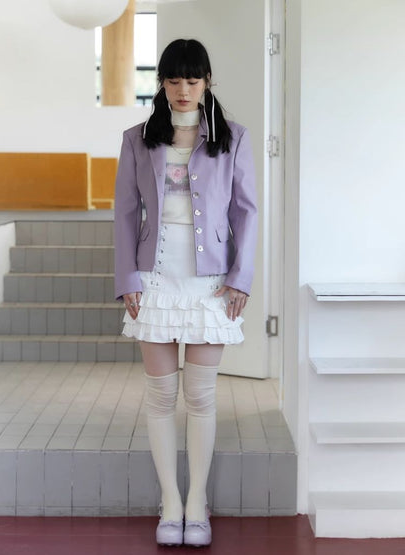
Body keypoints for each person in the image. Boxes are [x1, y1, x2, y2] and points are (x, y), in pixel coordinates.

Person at [114, 38, 257, 547]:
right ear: (162, 84)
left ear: (207, 82)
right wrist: (127, 279)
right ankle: (169, 503)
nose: (182, 89)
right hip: (153, 279)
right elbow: (125, 212)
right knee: (160, 397)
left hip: (210, 284)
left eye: (192, 80)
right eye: (173, 80)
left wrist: (241, 277)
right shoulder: (137, 139)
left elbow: (246, 211)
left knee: (200, 397)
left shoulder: (233, 138)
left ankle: (197, 502)